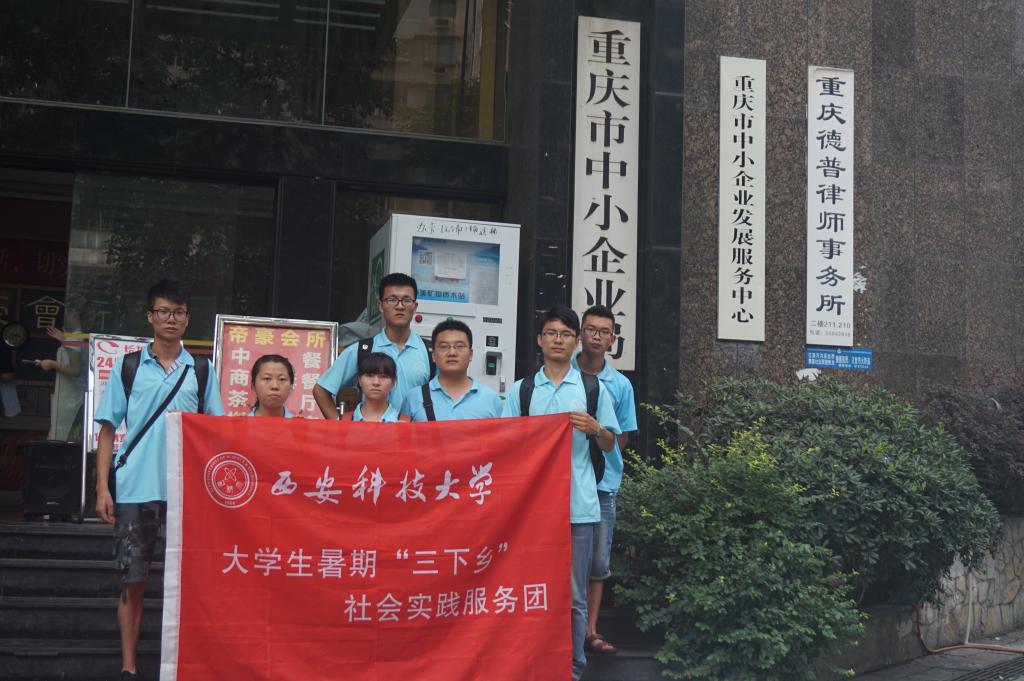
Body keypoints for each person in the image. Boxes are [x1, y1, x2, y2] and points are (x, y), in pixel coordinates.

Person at [93, 280, 224, 681]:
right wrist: (102, 487)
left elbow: (217, 431)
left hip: (188, 494)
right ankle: (129, 667)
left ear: (188, 319)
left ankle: (186, 664)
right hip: (135, 488)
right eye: (164, 311)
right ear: (150, 316)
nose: (171, 319)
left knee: (190, 584)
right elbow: (107, 430)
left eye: (179, 312)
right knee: (134, 581)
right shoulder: (129, 366)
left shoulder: (201, 369)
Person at [502, 305, 620, 681]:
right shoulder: (522, 391)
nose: (558, 340)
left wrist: (595, 427)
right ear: (539, 340)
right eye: (551, 333)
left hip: (578, 506)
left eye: (566, 334)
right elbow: (505, 444)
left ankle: (572, 669)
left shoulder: (592, 389)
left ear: (576, 340)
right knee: (529, 590)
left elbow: (610, 443)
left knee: (574, 596)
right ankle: (530, 663)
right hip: (532, 510)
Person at [572, 305, 638, 656]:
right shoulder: (562, 374)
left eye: (603, 331)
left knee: (598, 562)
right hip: (566, 481)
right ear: (580, 334)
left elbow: (622, 434)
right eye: (590, 329)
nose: (596, 336)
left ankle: (590, 630)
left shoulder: (620, 385)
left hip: (602, 484)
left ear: (613, 339)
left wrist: (599, 457)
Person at [313, 272, 430, 419]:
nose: (400, 306)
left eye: (406, 300)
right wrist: (340, 427)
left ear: (415, 306)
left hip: (416, 433)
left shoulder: (430, 352)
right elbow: (321, 390)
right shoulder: (363, 350)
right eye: (392, 299)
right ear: (380, 305)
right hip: (371, 433)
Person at [401, 319, 502, 421]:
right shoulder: (413, 399)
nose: (452, 353)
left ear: (471, 354)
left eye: (459, 346)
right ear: (434, 355)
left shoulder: (491, 400)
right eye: (444, 347)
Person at [37, 314, 85, 441]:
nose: (66, 317)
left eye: (70, 314)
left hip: (71, 396)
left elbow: (75, 370)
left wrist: (51, 364)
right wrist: (66, 341)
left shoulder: (77, 337)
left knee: (63, 434)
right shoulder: (77, 336)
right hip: (73, 394)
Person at [345, 352, 402, 423]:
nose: (376, 382)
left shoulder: (405, 422)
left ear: (393, 382)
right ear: (359, 380)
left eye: (383, 376)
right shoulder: (343, 421)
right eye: (370, 376)